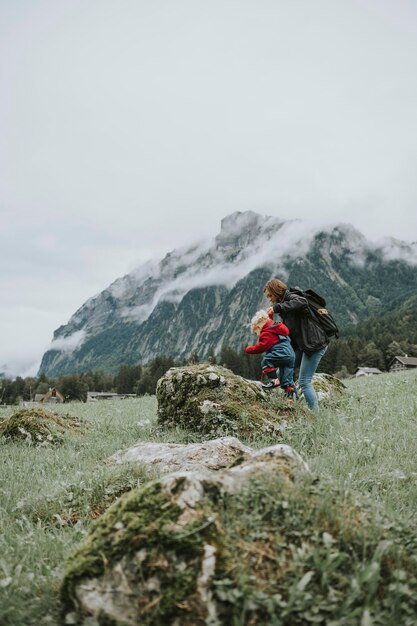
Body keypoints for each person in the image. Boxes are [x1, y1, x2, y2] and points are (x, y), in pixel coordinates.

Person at [264, 279, 328, 410]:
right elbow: (293, 332)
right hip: (303, 344)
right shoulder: (284, 307)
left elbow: (302, 302)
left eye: (270, 296)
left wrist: (277, 308)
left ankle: (317, 418)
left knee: (304, 381)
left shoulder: (292, 297)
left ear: (277, 291)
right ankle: (296, 407)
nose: (270, 300)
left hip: (315, 344)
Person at [245, 309, 297, 397]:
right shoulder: (274, 327)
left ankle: (274, 380)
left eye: (255, 331)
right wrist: (270, 316)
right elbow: (269, 322)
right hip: (290, 356)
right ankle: (291, 399)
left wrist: (249, 349)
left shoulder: (266, 333)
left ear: (258, 326)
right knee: (286, 381)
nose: (257, 334)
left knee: (266, 362)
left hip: (282, 353)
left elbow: (262, 347)